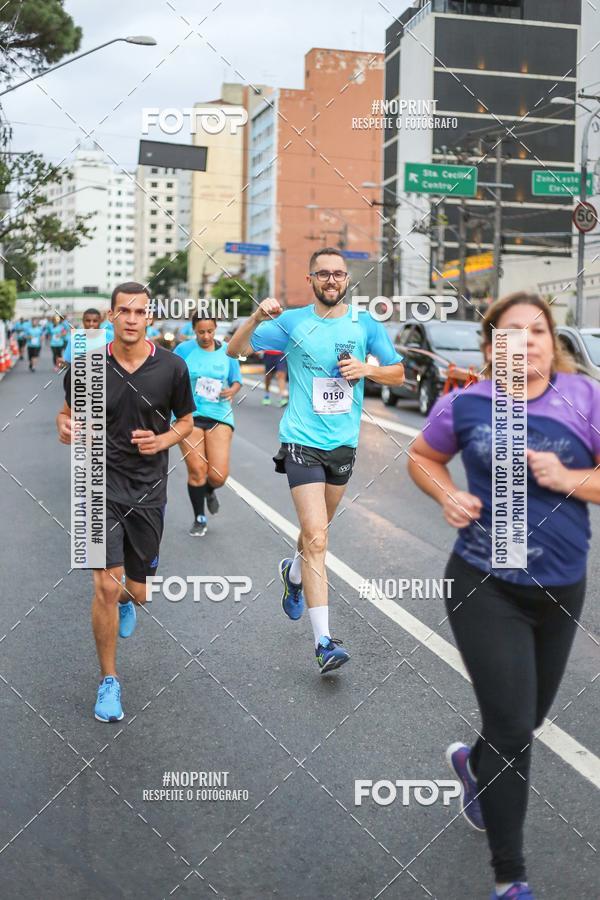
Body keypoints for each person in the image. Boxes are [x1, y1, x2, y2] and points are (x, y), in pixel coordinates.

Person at [407, 292, 600, 900]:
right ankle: (510, 878)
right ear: (492, 348)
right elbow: (422, 456)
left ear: (553, 344)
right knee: (515, 728)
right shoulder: (466, 403)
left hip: (561, 582)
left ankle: (473, 766)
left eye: (537, 331)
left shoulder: (586, 401)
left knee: (526, 719)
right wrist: (445, 494)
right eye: (510, 333)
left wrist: (570, 479)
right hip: (483, 580)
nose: (525, 341)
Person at [227, 247, 404, 673]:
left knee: (315, 534)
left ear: (347, 280)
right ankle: (324, 642)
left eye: (338, 274)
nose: (331, 280)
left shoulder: (365, 324)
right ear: (310, 280)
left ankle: (292, 574)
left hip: (343, 444)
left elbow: (398, 373)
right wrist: (255, 318)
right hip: (301, 441)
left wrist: (367, 370)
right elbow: (235, 350)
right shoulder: (292, 321)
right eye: (322, 274)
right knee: (319, 539)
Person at [56, 282, 195, 723]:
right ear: (112, 317)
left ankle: (130, 599)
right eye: (124, 311)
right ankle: (109, 681)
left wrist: (163, 440)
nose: (131, 318)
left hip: (148, 490)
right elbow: (65, 412)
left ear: (149, 317)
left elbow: (188, 421)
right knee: (103, 585)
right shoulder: (87, 366)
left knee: (134, 589)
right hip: (96, 485)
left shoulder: (172, 368)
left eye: (139, 311)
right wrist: (64, 426)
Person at [174, 314, 242, 536]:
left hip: (219, 414)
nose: (206, 336)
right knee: (197, 470)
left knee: (218, 475)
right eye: (201, 332)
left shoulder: (228, 351)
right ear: (194, 330)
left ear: (215, 330)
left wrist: (232, 390)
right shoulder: (184, 350)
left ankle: (209, 490)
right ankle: (199, 518)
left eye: (210, 331)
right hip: (189, 414)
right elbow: (170, 376)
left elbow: (236, 380)